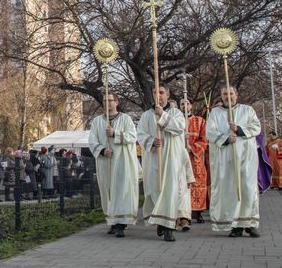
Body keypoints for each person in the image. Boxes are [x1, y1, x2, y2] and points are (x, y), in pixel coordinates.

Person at [207, 86, 261, 238]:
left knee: (248, 189)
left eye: (231, 93)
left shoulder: (247, 110)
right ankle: (236, 225)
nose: (228, 96)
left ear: (236, 95)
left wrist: (238, 129)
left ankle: (250, 224)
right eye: (224, 94)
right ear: (221, 96)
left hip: (246, 157)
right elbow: (209, 132)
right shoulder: (215, 113)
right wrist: (225, 138)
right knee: (231, 191)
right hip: (226, 158)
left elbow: (256, 127)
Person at [137, 85, 186, 242]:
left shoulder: (176, 113)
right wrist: (151, 141)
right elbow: (140, 134)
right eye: (155, 92)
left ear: (168, 95)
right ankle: (160, 220)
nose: (158, 95)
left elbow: (179, 128)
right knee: (155, 191)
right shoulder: (146, 116)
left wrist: (163, 116)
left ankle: (169, 228)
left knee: (170, 193)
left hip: (171, 160)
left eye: (161, 92)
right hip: (154, 160)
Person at [89, 93, 139, 238]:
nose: (107, 103)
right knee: (108, 191)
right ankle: (112, 221)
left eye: (110, 101)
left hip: (122, 162)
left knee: (121, 191)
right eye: (104, 101)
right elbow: (92, 140)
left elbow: (132, 136)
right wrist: (102, 150)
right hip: (106, 162)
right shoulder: (97, 121)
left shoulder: (125, 119)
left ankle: (120, 224)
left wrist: (115, 133)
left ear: (116, 102)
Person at [185, 100, 209, 223]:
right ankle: (185, 214)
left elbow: (204, 139)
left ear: (191, 106)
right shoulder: (177, 121)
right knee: (184, 185)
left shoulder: (200, 121)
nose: (184, 106)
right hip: (182, 158)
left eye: (187, 103)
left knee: (198, 184)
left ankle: (198, 212)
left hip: (196, 158)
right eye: (181, 104)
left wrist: (192, 148)